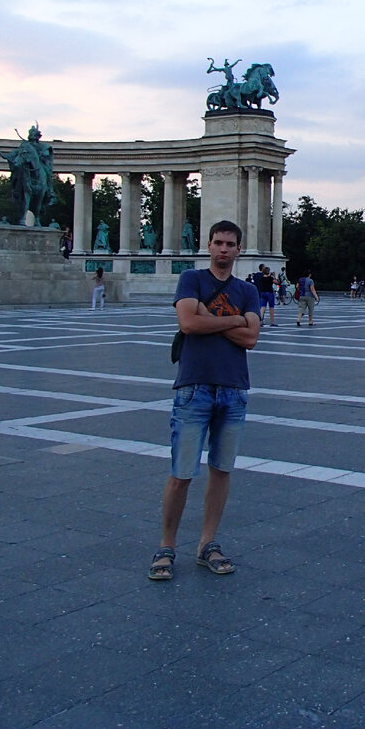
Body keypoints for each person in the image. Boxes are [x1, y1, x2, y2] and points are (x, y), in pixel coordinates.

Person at [148, 220, 260, 582]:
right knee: (181, 474)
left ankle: (207, 544)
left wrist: (209, 318)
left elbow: (252, 338)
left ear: (239, 249)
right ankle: (166, 545)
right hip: (193, 387)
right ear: (208, 246)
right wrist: (235, 320)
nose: (223, 248)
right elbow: (187, 324)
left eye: (230, 243)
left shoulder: (247, 289)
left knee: (221, 471)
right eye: (218, 242)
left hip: (233, 388)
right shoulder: (191, 279)